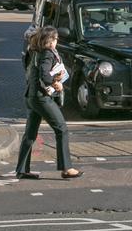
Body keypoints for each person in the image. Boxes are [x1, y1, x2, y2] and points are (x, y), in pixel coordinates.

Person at [14, 25, 82, 180]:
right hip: (42, 98)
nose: (57, 41)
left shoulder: (34, 51)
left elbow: (30, 70)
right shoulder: (47, 53)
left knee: (30, 134)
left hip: (31, 96)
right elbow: (45, 75)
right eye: (56, 38)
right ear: (51, 40)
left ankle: (22, 170)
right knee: (61, 129)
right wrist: (55, 83)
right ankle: (66, 168)